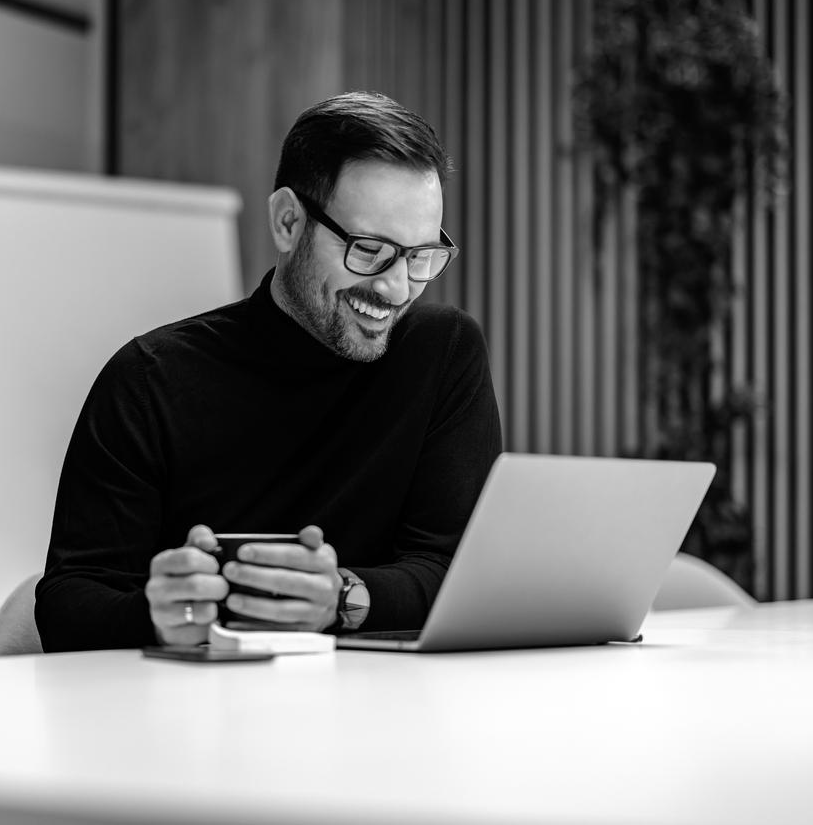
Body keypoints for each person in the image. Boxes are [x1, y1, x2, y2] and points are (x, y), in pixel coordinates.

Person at [36, 91, 502, 651]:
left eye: (420, 256)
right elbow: (68, 601)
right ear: (288, 222)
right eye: (369, 249)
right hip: (197, 721)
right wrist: (157, 617)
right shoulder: (148, 380)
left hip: (391, 715)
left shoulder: (443, 352)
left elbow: (460, 570)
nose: (396, 287)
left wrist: (345, 598)